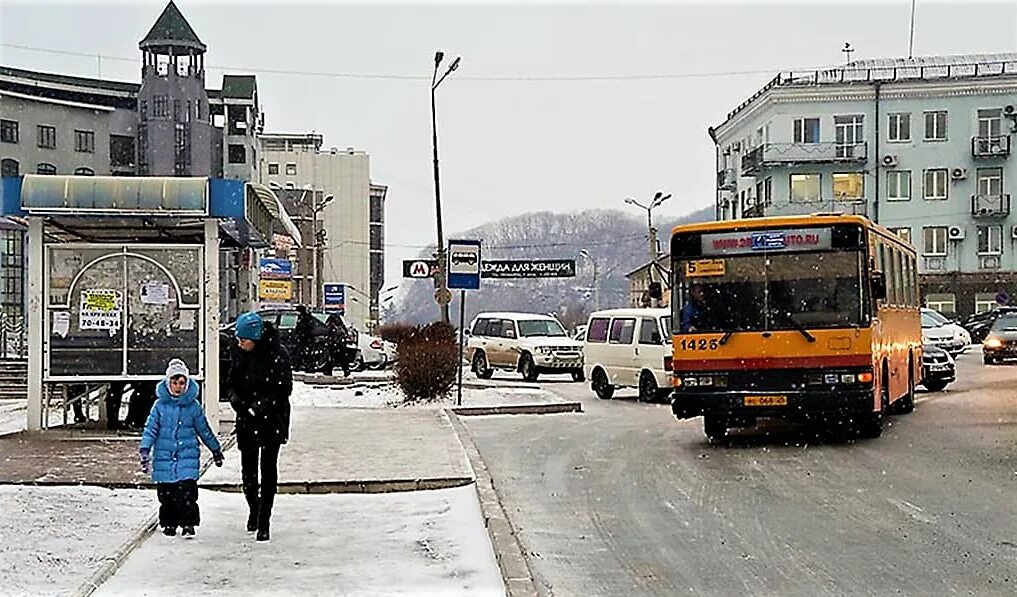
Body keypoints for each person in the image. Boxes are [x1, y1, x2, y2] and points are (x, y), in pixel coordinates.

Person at [139, 359, 224, 538]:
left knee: (187, 493)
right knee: (167, 495)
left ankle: (188, 523)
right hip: (164, 457)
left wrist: (215, 449)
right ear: (168, 383)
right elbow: (150, 428)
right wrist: (145, 449)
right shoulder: (159, 406)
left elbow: (204, 430)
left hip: (187, 456)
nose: (178, 387)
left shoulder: (193, 407)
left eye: (182, 383)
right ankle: (169, 523)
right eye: (175, 383)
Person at [227, 311, 292, 542]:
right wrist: (237, 401)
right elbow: (231, 384)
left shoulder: (277, 355)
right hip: (246, 418)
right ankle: (253, 508)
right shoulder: (239, 354)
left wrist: (260, 406)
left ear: (254, 338)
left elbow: (283, 389)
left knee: (268, 469)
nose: (239, 343)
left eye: (243, 339)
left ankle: (264, 520)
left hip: (271, 419)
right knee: (248, 472)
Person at [324, 312, 352, 377]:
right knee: (341, 359)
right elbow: (345, 334)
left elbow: (328, 334)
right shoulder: (340, 326)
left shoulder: (330, 325)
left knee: (331, 359)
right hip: (339, 345)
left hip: (335, 345)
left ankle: (328, 371)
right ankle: (346, 371)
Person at [294, 305, 315, 373]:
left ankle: (305, 366)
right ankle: (301, 366)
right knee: (301, 352)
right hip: (304, 337)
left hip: (305, 337)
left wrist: (299, 332)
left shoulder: (305, 317)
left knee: (303, 352)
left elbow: (307, 327)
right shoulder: (302, 317)